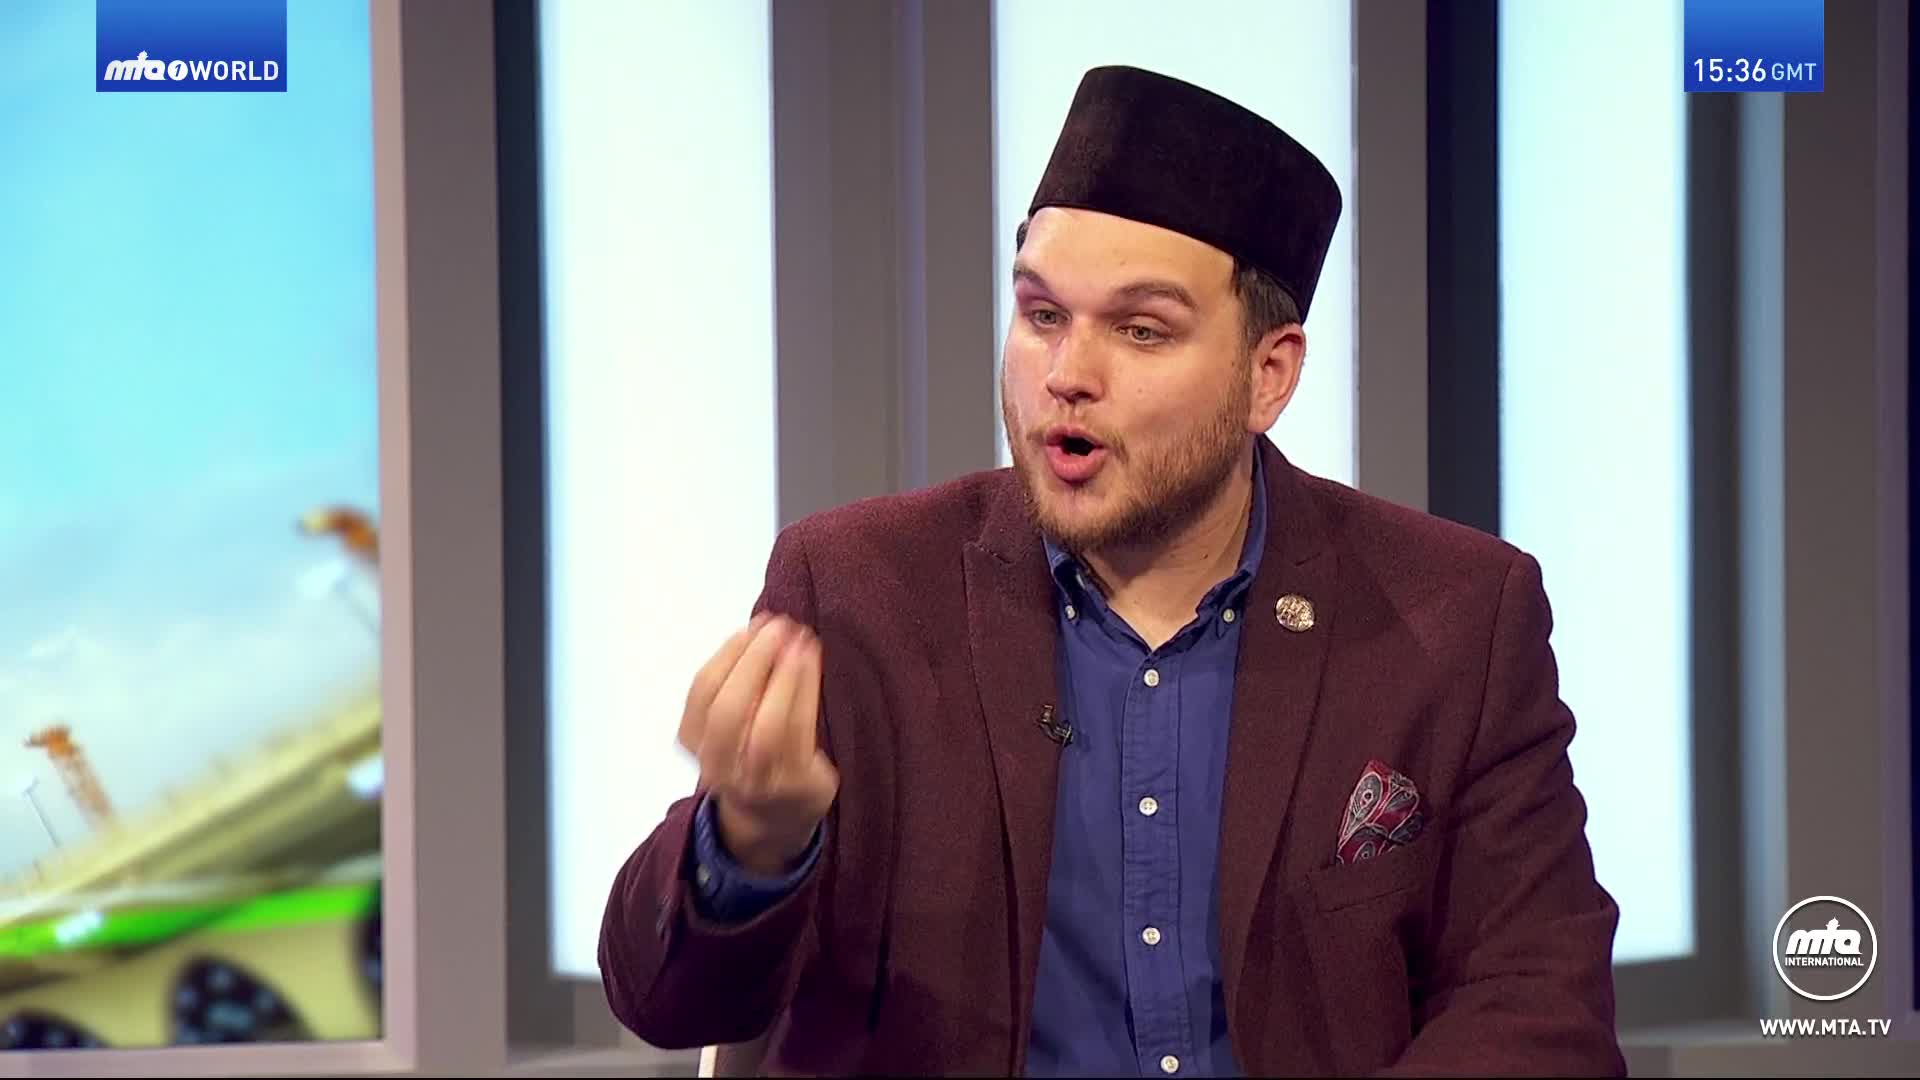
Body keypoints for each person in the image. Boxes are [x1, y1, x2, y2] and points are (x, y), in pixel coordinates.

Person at [597, 65, 1625, 1078]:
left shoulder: (1454, 618)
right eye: (1042, 315)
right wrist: (750, 843)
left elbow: (1538, 1004)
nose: (1067, 375)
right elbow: (666, 1001)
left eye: (1140, 330)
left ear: (1269, 374)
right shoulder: (858, 588)